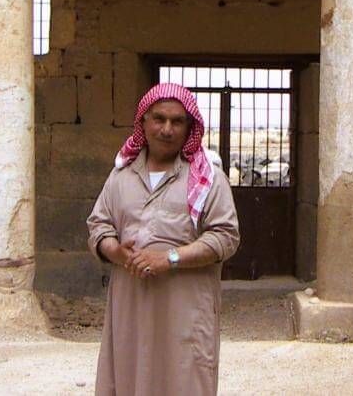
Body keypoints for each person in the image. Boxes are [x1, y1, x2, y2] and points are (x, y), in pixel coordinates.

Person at [86, 82, 240, 396]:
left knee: (184, 376)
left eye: (177, 121)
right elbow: (98, 225)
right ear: (143, 122)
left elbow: (226, 237)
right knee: (130, 373)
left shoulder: (208, 178)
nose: (167, 129)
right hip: (131, 304)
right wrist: (115, 251)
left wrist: (169, 258)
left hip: (185, 307)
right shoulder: (121, 176)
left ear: (189, 128)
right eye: (159, 119)